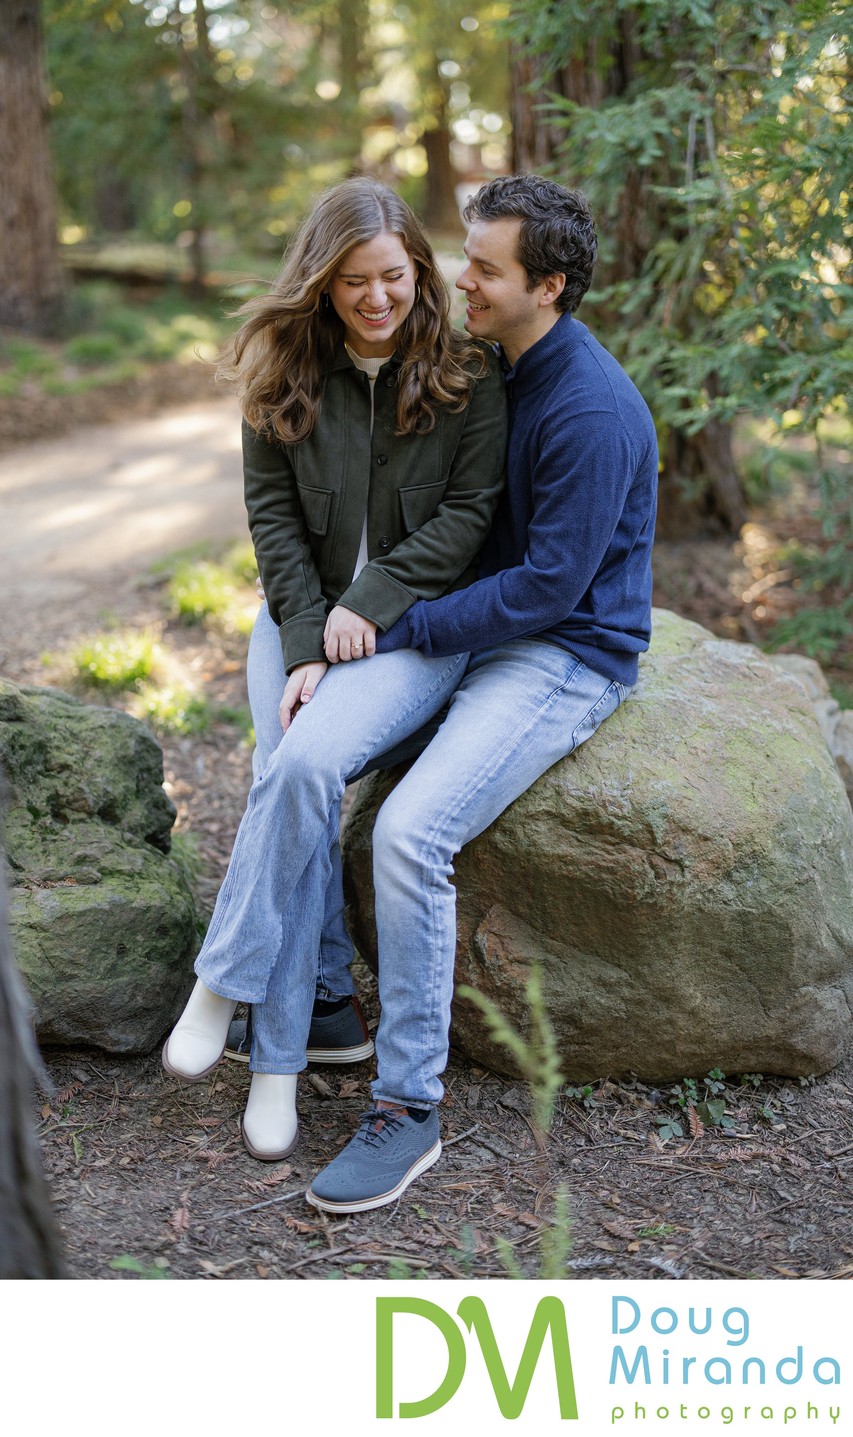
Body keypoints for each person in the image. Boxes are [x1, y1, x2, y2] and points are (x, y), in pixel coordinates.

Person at [302, 174, 658, 1213]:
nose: (461, 279)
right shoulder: (500, 365)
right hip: (473, 629)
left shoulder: (590, 409)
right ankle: (305, 997)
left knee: (408, 832)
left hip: (563, 654)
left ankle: (407, 1106)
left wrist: (400, 627)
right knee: (301, 754)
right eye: (468, 257)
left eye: (486, 268)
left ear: (546, 287)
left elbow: (549, 588)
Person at [161, 177, 506, 1162]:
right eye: (353, 281)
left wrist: (367, 607)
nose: (376, 297)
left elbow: (466, 519)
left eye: (393, 275)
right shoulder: (281, 374)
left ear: (419, 271)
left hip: (412, 630)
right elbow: (273, 524)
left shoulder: (467, 374)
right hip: (298, 618)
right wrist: (309, 643)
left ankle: (231, 994)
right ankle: (286, 1052)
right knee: (290, 776)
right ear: (320, 282)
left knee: (294, 771)